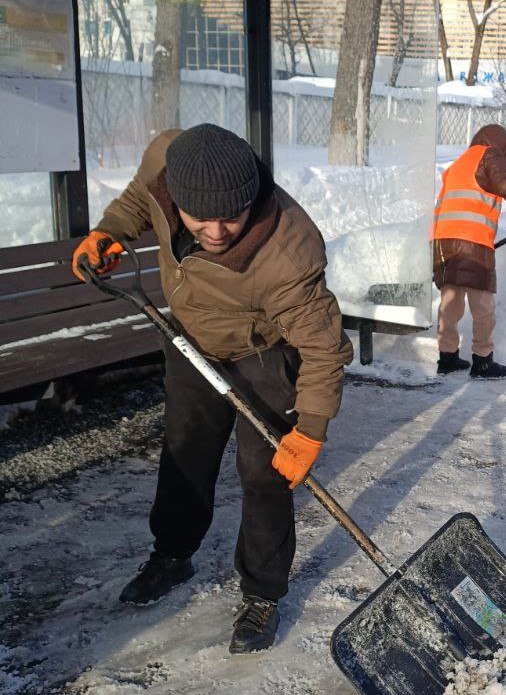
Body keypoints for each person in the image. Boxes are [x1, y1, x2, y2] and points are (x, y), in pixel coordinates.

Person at [71, 123, 354, 654]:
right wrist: (109, 232)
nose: (217, 231)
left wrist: (310, 430)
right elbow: (138, 201)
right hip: (189, 340)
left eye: (231, 217)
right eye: (199, 217)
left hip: (262, 351)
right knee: (186, 451)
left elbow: (324, 349)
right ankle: (172, 555)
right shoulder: (165, 159)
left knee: (266, 473)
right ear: (177, 194)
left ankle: (262, 593)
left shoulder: (290, 253)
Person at [431, 124, 506, 378]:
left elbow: (443, 204)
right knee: (483, 305)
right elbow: (505, 185)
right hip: (472, 242)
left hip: (443, 241)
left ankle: (447, 358)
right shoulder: (491, 154)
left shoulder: (462, 161)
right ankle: (482, 361)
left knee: (450, 302)